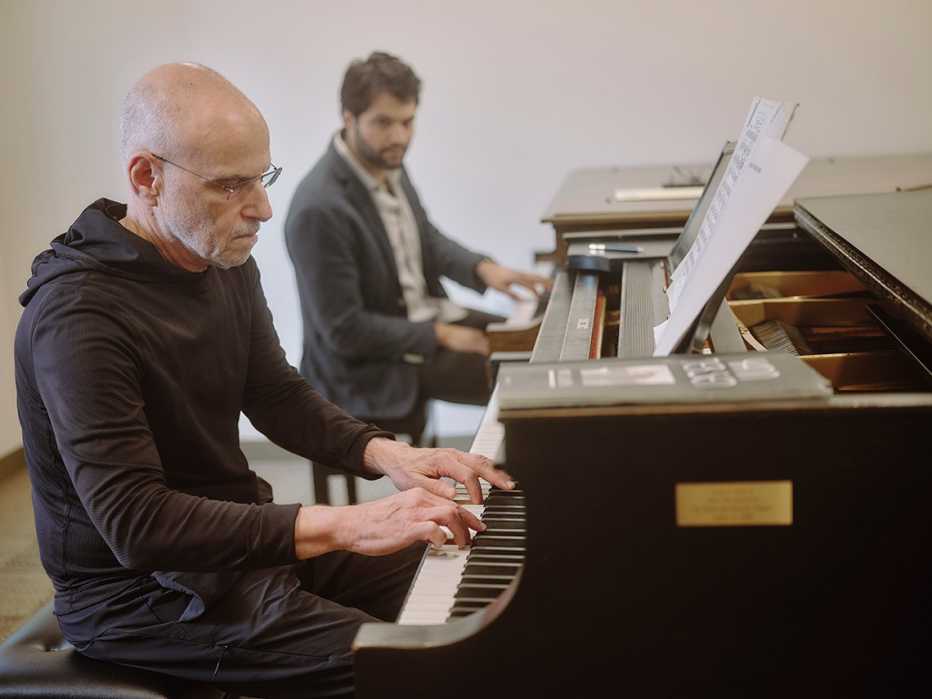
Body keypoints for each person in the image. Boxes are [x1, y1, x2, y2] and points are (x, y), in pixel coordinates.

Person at [14, 62, 515, 699]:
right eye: (230, 185)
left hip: (238, 547)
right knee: (417, 667)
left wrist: (392, 454)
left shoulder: (215, 254)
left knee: (478, 580)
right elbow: (137, 523)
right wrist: (349, 524)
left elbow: (275, 393)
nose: (263, 209)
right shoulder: (78, 316)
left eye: (262, 177)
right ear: (147, 177)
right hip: (142, 600)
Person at [284, 51, 549, 440]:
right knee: (524, 378)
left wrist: (484, 270)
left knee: (542, 344)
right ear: (348, 119)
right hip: (369, 367)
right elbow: (345, 331)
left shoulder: (387, 161)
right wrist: (441, 335)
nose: (400, 137)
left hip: (421, 322)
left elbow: (425, 239)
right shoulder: (319, 209)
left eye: (408, 122)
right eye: (384, 123)